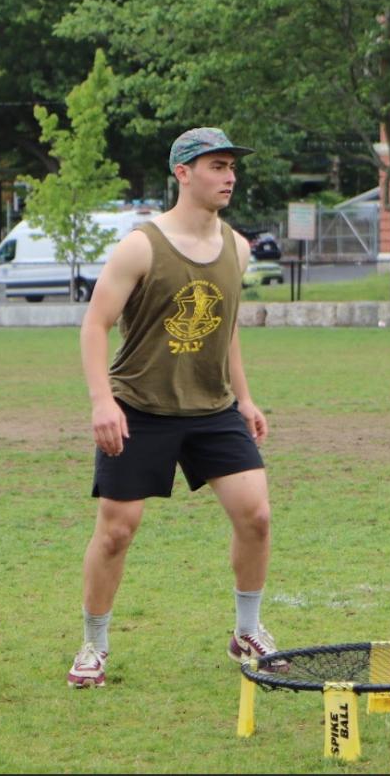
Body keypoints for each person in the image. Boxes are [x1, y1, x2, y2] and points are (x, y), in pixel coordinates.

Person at [67, 127, 283, 689]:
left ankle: (247, 630)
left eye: (232, 165)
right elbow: (95, 325)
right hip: (139, 406)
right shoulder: (142, 245)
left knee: (256, 515)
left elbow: (228, 328)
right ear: (183, 174)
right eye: (216, 165)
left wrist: (245, 397)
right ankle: (93, 644)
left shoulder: (237, 246)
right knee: (117, 530)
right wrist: (101, 402)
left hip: (212, 409)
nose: (229, 175)